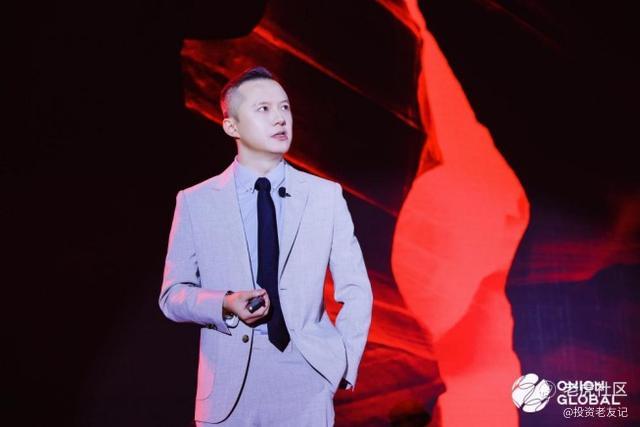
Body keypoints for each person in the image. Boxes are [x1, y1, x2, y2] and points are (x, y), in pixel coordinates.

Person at [159, 66, 373, 426]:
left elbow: (356, 289)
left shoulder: (325, 196)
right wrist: (224, 303)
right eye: (264, 109)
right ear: (232, 126)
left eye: (285, 107)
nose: (280, 118)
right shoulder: (196, 201)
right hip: (228, 385)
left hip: (307, 375)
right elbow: (172, 295)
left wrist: (343, 363)